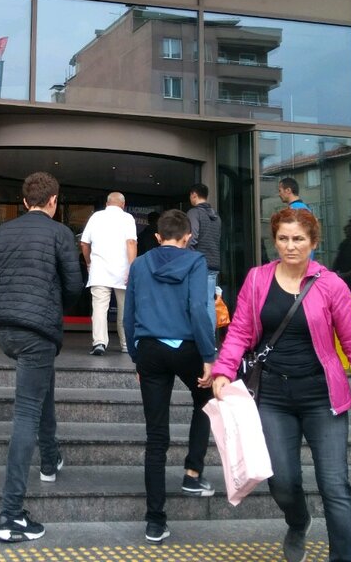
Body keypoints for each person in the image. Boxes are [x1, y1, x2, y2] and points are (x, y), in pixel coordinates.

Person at [211, 208, 351, 562]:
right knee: (281, 482)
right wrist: (224, 369)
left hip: (322, 397)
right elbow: (240, 331)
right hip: (273, 397)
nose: (290, 246)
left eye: (298, 239)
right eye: (283, 238)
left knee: (335, 486)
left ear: (313, 242)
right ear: (274, 240)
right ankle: (298, 521)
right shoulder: (257, 279)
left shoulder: (330, 284)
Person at [0, 171, 82, 543]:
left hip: (5, 328)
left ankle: (50, 459)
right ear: (54, 201)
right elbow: (74, 286)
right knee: (26, 413)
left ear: (25, 202)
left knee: (41, 384)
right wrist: (51, 304)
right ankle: (10, 515)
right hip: (37, 329)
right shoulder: (60, 233)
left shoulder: (3, 231)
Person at [123, 209, 216, 546]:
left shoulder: (140, 264)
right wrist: (209, 356)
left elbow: (129, 315)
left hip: (150, 349)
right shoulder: (196, 262)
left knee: (156, 436)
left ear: (158, 237)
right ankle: (192, 472)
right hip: (188, 347)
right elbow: (199, 309)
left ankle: (155, 521)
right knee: (206, 401)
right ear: (188, 237)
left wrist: (137, 358)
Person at [80, 191, 137, 355]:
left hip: (99, 271)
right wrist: (132, 268)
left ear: (107, 204)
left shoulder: (96, 217)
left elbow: (84, 243)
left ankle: (99, 343)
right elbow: (131, 242)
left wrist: (89, 262)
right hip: (123, 271)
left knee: (99, 308)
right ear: (123, 205)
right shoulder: (127, 218)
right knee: (125, 308)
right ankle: (126, 344)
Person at [186, 183, 222, 342]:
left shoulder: (194, 213)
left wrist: (185, 257)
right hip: (213, 263)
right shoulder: (216, 216)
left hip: (198, 263)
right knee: (209, 302)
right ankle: (210, 340)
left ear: (194, 194)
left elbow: (192, 238)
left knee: (194, 301)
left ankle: (195, 338)